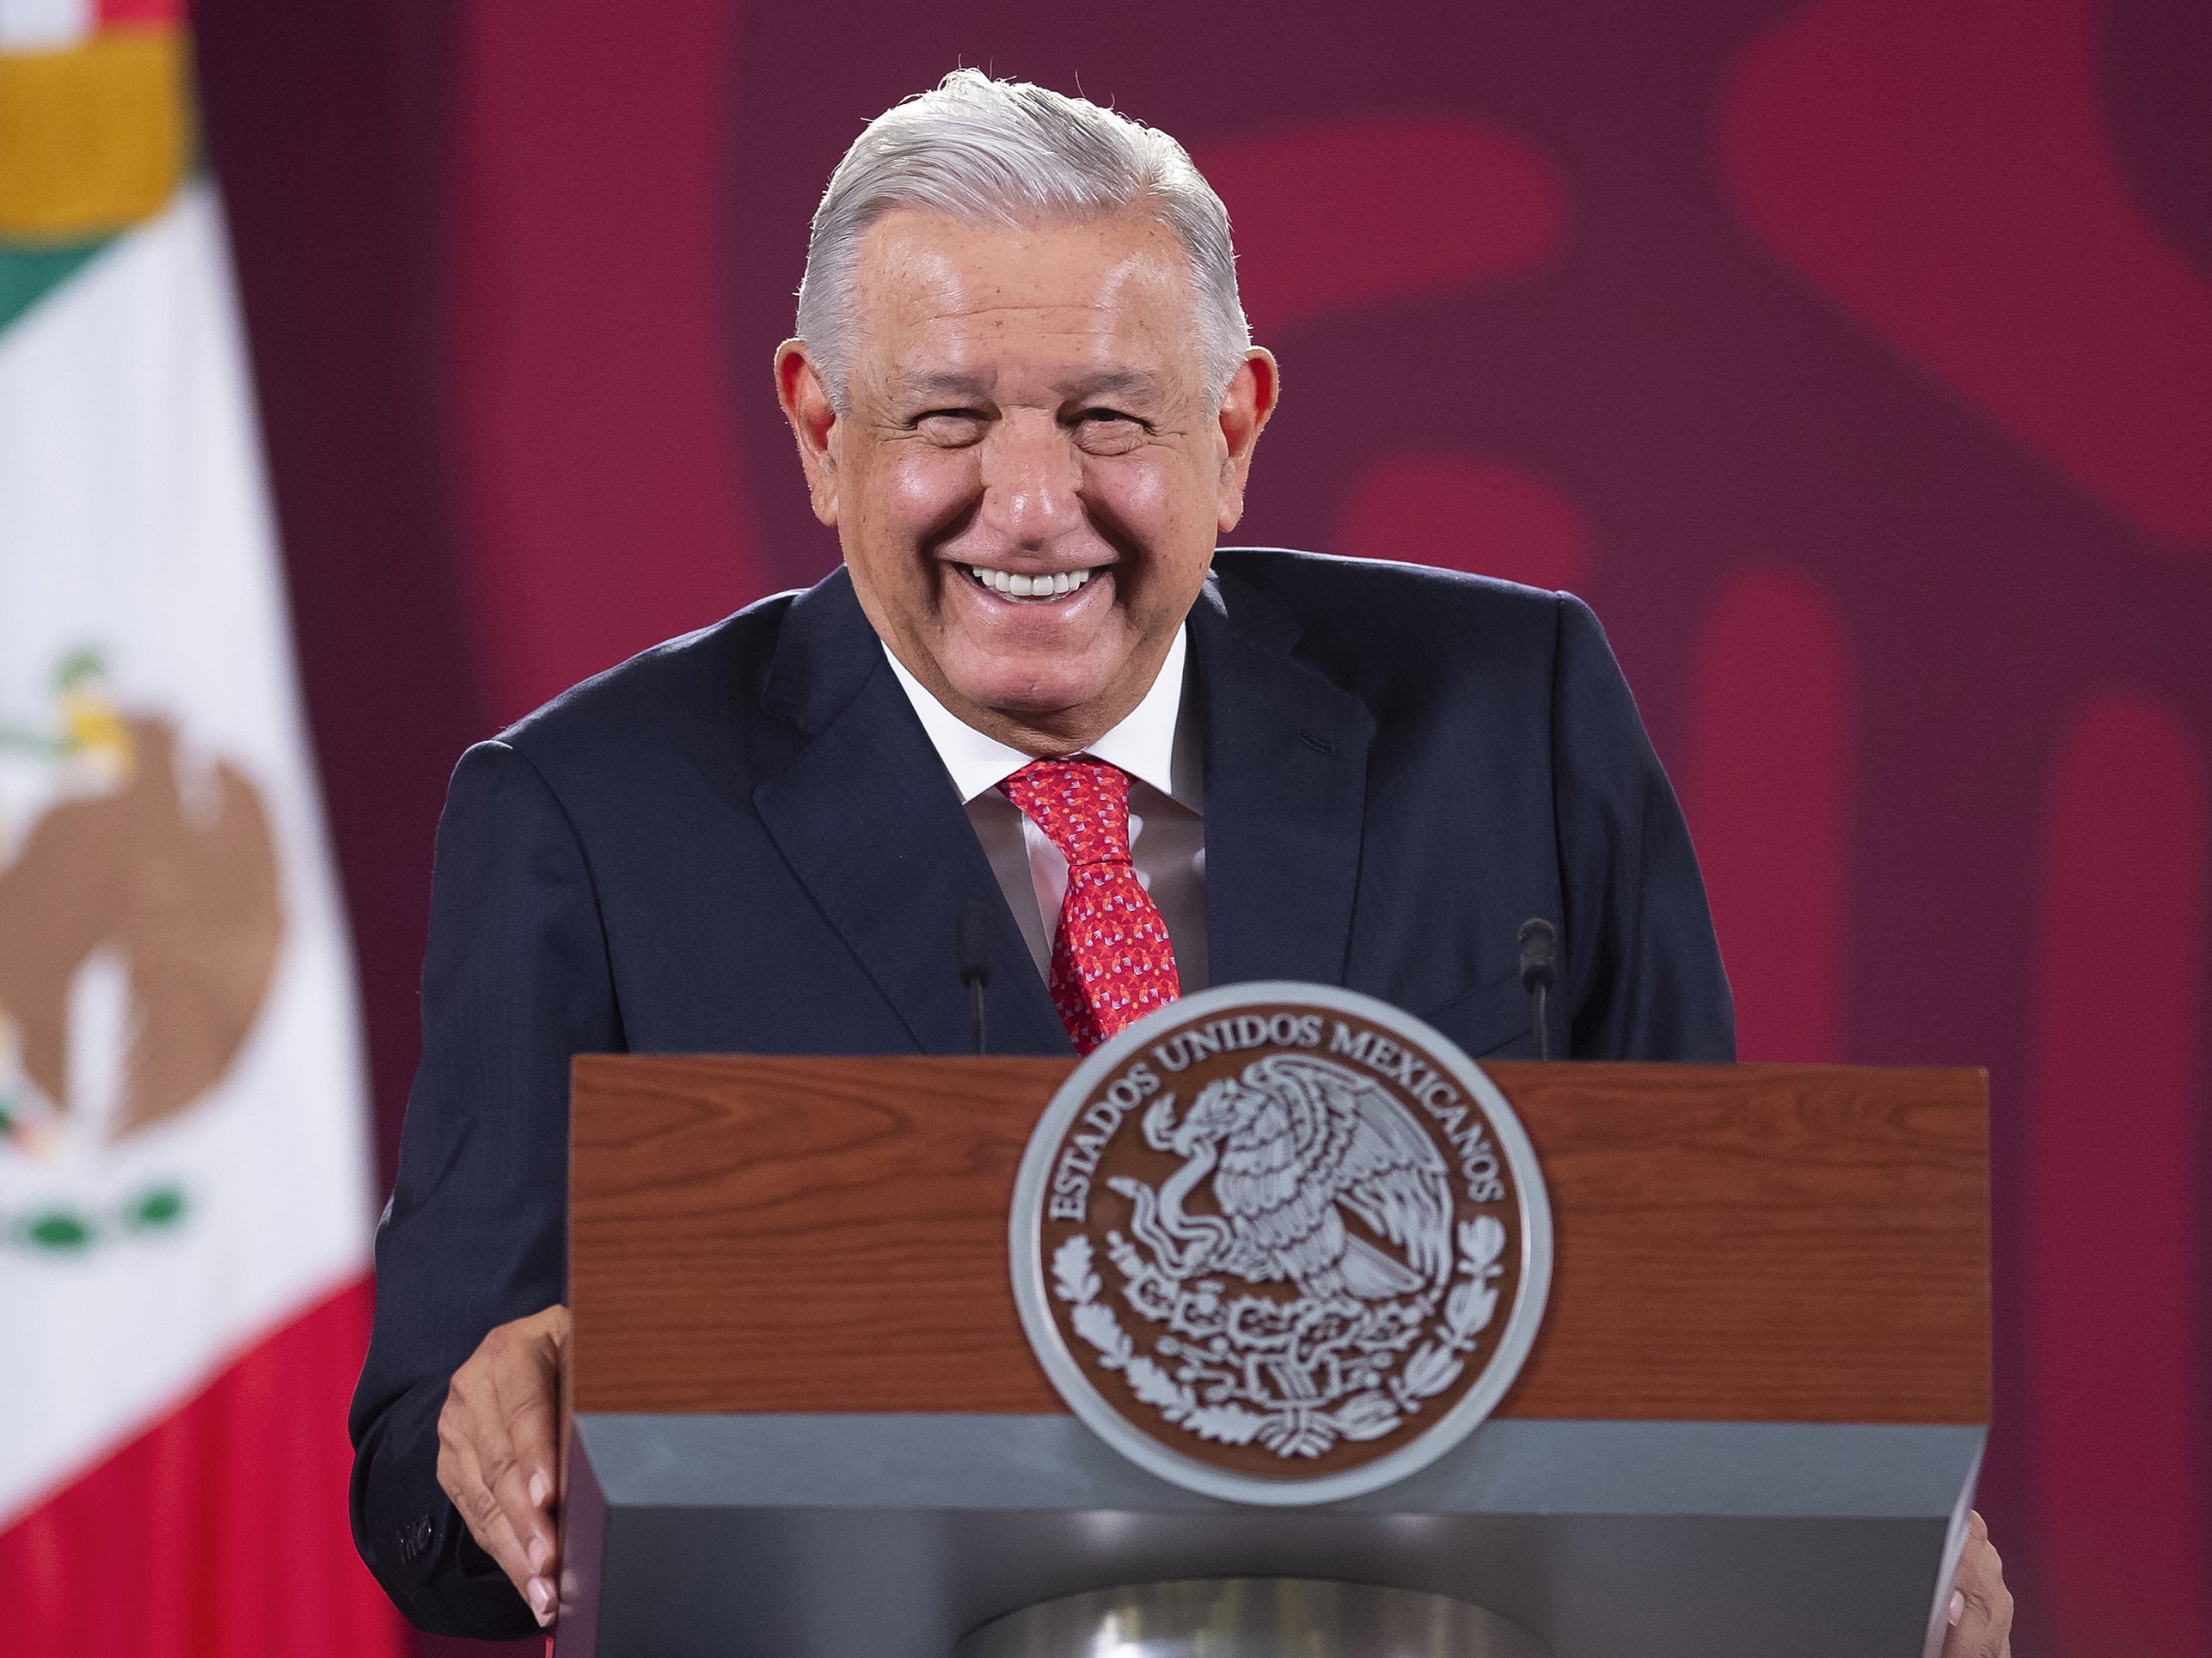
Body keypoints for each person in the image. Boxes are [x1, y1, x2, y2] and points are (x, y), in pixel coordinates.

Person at [348, 71, 2012, 1654]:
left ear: (1232, 428)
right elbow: (420, 1493)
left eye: (1105, 417)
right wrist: (515, 1418)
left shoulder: (1515, 718)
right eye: (946, 420)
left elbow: (1714, 1309)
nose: (1029, 502)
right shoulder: (588, 813)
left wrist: (1887, 1532)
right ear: (816, 428)